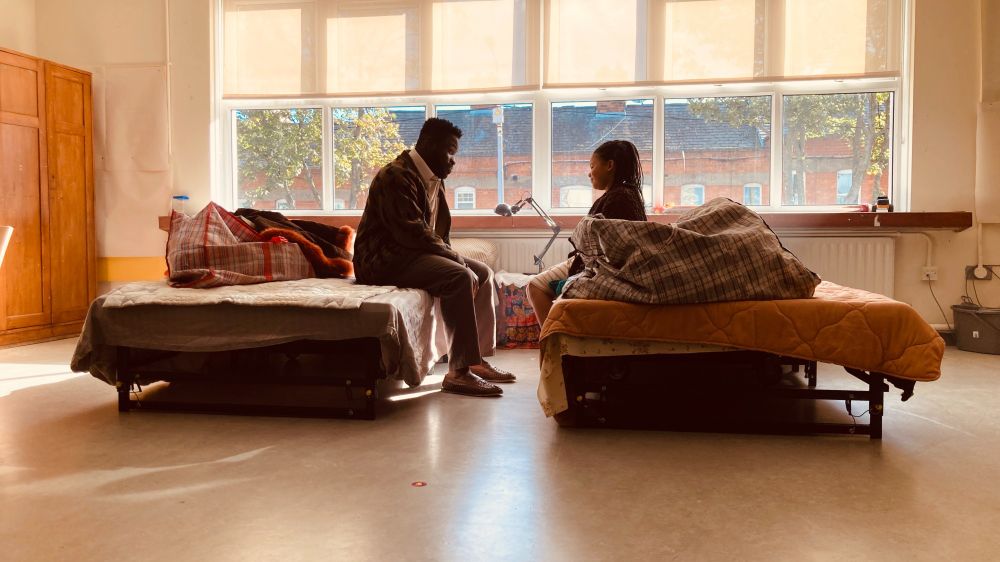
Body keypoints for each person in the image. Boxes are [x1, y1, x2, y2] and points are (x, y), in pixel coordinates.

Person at [354, 118, 516, 397]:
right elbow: (412, 232)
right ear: (428, 145)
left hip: (410, 253)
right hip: (381, 259)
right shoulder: (396, 176)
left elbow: (438, 231)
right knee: (459, 276)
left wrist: (454, 256)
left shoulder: (433, 178)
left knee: (484, 273)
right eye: (450, 152)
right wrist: (456, 260)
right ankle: (458, 373)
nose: (454, 161)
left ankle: (475, 359)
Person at [527, 140, 648, 324]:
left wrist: (577, 274)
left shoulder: (619, 199)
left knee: (534, 286)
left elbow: (607, 252)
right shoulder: (628, 195)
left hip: (592, 264)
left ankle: (551, 346)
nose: (589, 173)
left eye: (592, 166)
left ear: (609, 165)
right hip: (588, 260)